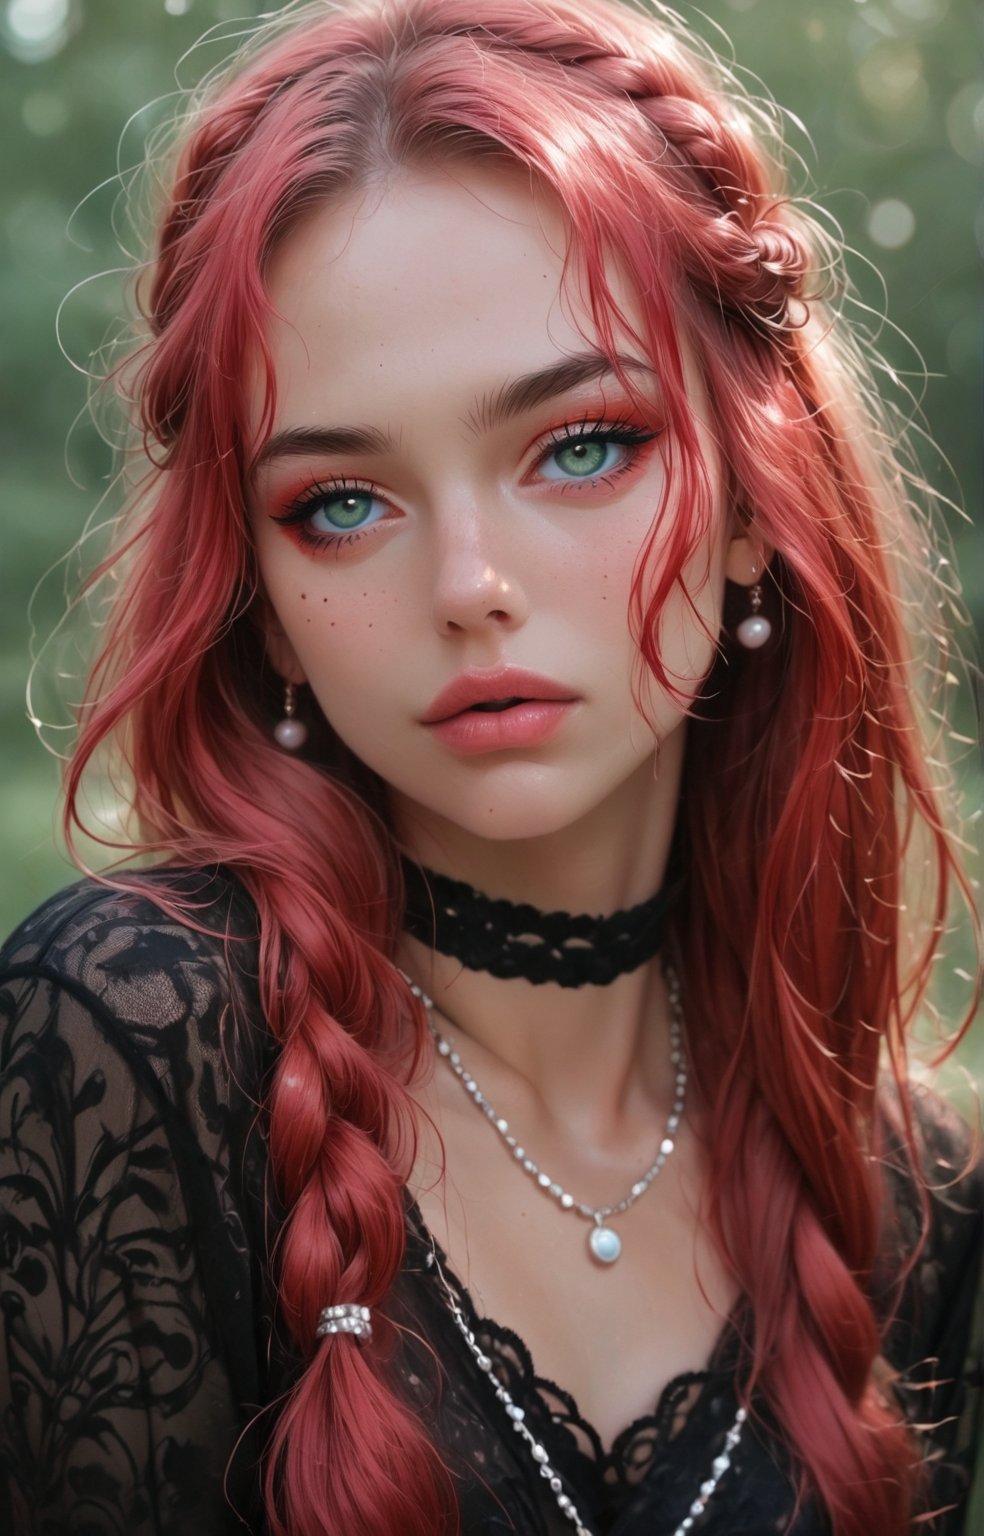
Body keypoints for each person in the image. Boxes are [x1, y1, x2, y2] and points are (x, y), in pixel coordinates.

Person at [0, 0, 980, 1532]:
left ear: (748, 497)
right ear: (256, 596)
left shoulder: (911, 1187)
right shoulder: (133, 1041)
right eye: (341, 502)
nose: (469, 582)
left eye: (580, 444)